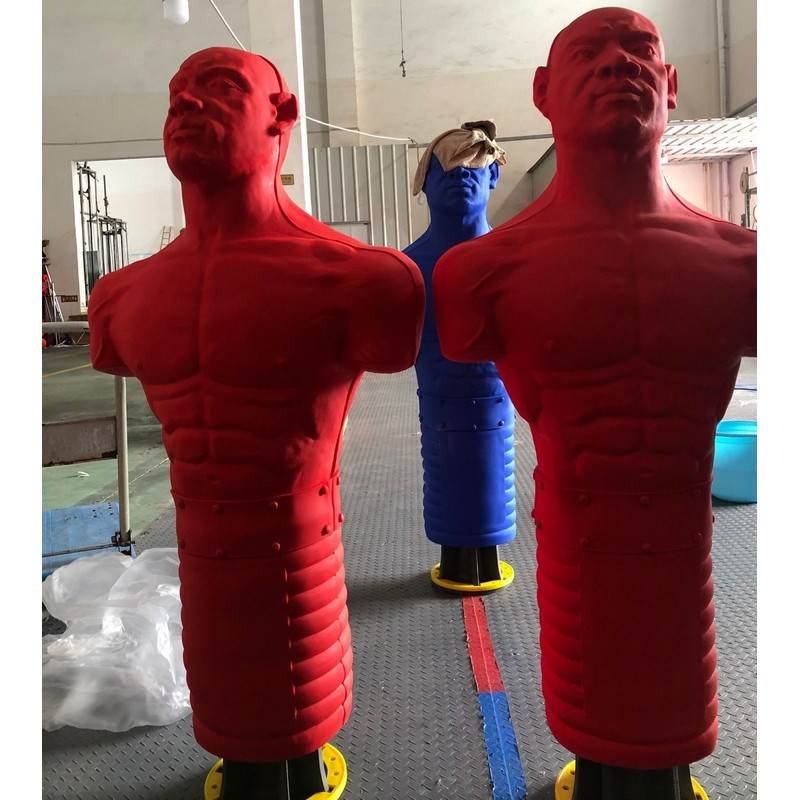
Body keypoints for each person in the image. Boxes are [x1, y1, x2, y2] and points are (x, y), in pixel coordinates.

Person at [433, 8, 756, 798]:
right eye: (590, 53)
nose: (619, 64)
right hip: (577, 548)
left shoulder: (745, 264)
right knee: (592, 694)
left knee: (673, 694)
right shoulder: (480, 273)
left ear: (669, 84)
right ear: (543, 92)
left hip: (684, 554)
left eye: (640, 50)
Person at [89, 47, 424, 800]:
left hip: (302, 561)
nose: (187, 103)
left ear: (282, 115)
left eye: (219, 88)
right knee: (230, 697)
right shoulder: (120, 298)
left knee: (297, 695)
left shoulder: (361, 278)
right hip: (203, 564)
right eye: (177, 92)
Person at [405, 122, 516, 590]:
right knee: (449, 481)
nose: (460, 179)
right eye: (446, 172)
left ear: (493, 178)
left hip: (496, 405)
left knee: (492, 479)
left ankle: (484, 555)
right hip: (438, 406)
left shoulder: (513, 259)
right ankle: (455, 558)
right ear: (425, 185)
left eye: (472, 169)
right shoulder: (409, 267)